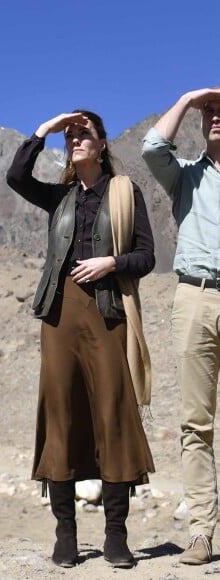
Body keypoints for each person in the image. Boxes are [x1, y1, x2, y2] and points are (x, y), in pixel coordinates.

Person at [6, 110, 155, 569]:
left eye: (82, 133)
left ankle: (115, 537)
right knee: (61, 416)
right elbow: (15, 176)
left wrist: (111, 263)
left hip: (108, 312)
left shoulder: (125, 193)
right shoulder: (59, 197)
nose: (74, 140)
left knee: (112, 413)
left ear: (102, 144)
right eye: (69, 136)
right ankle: (65, 535)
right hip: (60, 313)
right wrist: (44, 131)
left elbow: (147, 256)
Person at [142, 87, 220, 566]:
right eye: (209, 112)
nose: (215, 116)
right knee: (196, 424)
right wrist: (191, 97)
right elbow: (152, 147)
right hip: (195, 296)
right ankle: (201, 533)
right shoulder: (186, 178)